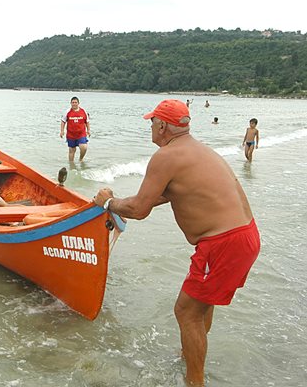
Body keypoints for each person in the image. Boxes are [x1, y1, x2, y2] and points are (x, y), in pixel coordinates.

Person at [94, 99, 260, 386]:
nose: (150, 127)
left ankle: (194, 381)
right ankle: (190, 355)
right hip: (245, 235)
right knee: (202, 305)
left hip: (223, 243)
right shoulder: (197, 150)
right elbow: (169, 194)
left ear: (161, 125)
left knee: (186, 311)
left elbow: (140, 209)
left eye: (151, 122)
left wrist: (108, 201)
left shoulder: (166, 156)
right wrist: (124, 206)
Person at [60, 96, 90, 161]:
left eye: (75, 102)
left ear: (78, 103)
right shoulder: (67, 112)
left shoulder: (83, 111)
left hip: (81, 134)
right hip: (71, 135)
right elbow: (63, 121)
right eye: (73, 102)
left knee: (84, 147)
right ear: (70, 103)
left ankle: (81, 158)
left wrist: (88, 130)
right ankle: (71, 166)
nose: (74, 104)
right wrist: (62, 131)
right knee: (72, 150)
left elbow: (87, 121)